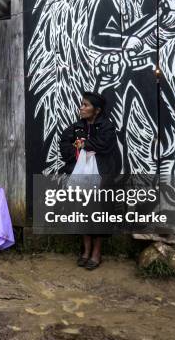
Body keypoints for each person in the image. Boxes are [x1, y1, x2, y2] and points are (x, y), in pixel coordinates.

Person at [87, 0, 175, 173]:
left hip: (146, 67)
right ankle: (115, 193)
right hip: (117, 72)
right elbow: (94, 37)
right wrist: (125, 39)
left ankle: (165, 187)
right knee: (110, 132)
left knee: (171, 123)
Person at [59, 92, 122, 270]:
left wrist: (84, 144)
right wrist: (76, 154)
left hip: (101, 177)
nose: (81, 108)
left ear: (97, 110)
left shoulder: (107, 127)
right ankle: (86, 251)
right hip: (81, 176)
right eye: (82, 104)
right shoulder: (77, 127)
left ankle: (96, 253)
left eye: (86, 105)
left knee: (99, 214)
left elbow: (103, 145)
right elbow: (65, 143)